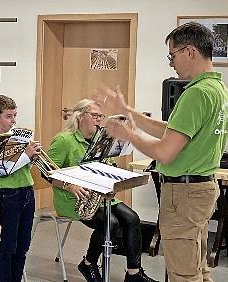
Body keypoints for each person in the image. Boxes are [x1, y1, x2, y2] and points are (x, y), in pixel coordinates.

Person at [97, 22, 228, 281]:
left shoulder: (196, 93)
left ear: (189, 51)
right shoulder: (216, 89)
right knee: (197, 270)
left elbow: (166, 152)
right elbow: (174, 130)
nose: (171, 63)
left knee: (182, 274)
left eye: (172, 55)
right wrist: (129, 113)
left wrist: (129, 134)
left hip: (184, 196)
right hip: (201, 191)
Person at [47, 99, 157, 282]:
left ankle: (134, 273)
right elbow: (47, 172)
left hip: (100, 196)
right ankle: (89, 263)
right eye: (94, 115)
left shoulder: (101, 140)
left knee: (132, 218)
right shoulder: (64, 140)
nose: (99, 120)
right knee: (110, 224)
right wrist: (71, 186)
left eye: (100, 116)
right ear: (80, 116)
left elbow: (109, 165)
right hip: (73, 198)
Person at [0, 95, 40, 282]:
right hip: (10, 193)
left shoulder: (15, 137)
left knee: (23, 245)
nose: (14, 121)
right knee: (9, 246)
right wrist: (25, 155)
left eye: (15, 115)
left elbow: (22, 167)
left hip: (27, 190)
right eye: (9, 116)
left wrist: (31, 158)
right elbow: (1, 170)